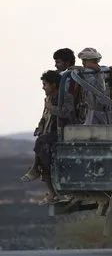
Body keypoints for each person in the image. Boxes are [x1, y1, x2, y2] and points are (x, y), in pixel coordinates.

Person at [21, 70, 75, 204]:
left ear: (54, 85)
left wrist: (52, 108)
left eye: (45, 84)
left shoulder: (66, 97)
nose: (43, 87)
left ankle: (35, 169)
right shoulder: (49, 99)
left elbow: (66, 114)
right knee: (45, 161)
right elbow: (45, 117)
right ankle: (51, 191)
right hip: (49, 135)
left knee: (41, 143)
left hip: (63, 133)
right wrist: (40, 127)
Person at [74, 47, 112, 125]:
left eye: (85, 60)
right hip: (90, 113)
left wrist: (102, 73)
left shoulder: (104, 72)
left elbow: (101, 91)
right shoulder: (81, 73)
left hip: (106, 112)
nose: (83, 63)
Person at [53, 48, 83, 123]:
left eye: (58, 62)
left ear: (67, 63)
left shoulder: (72, 77)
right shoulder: (59, 75)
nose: (56, 65)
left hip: (70, 118)